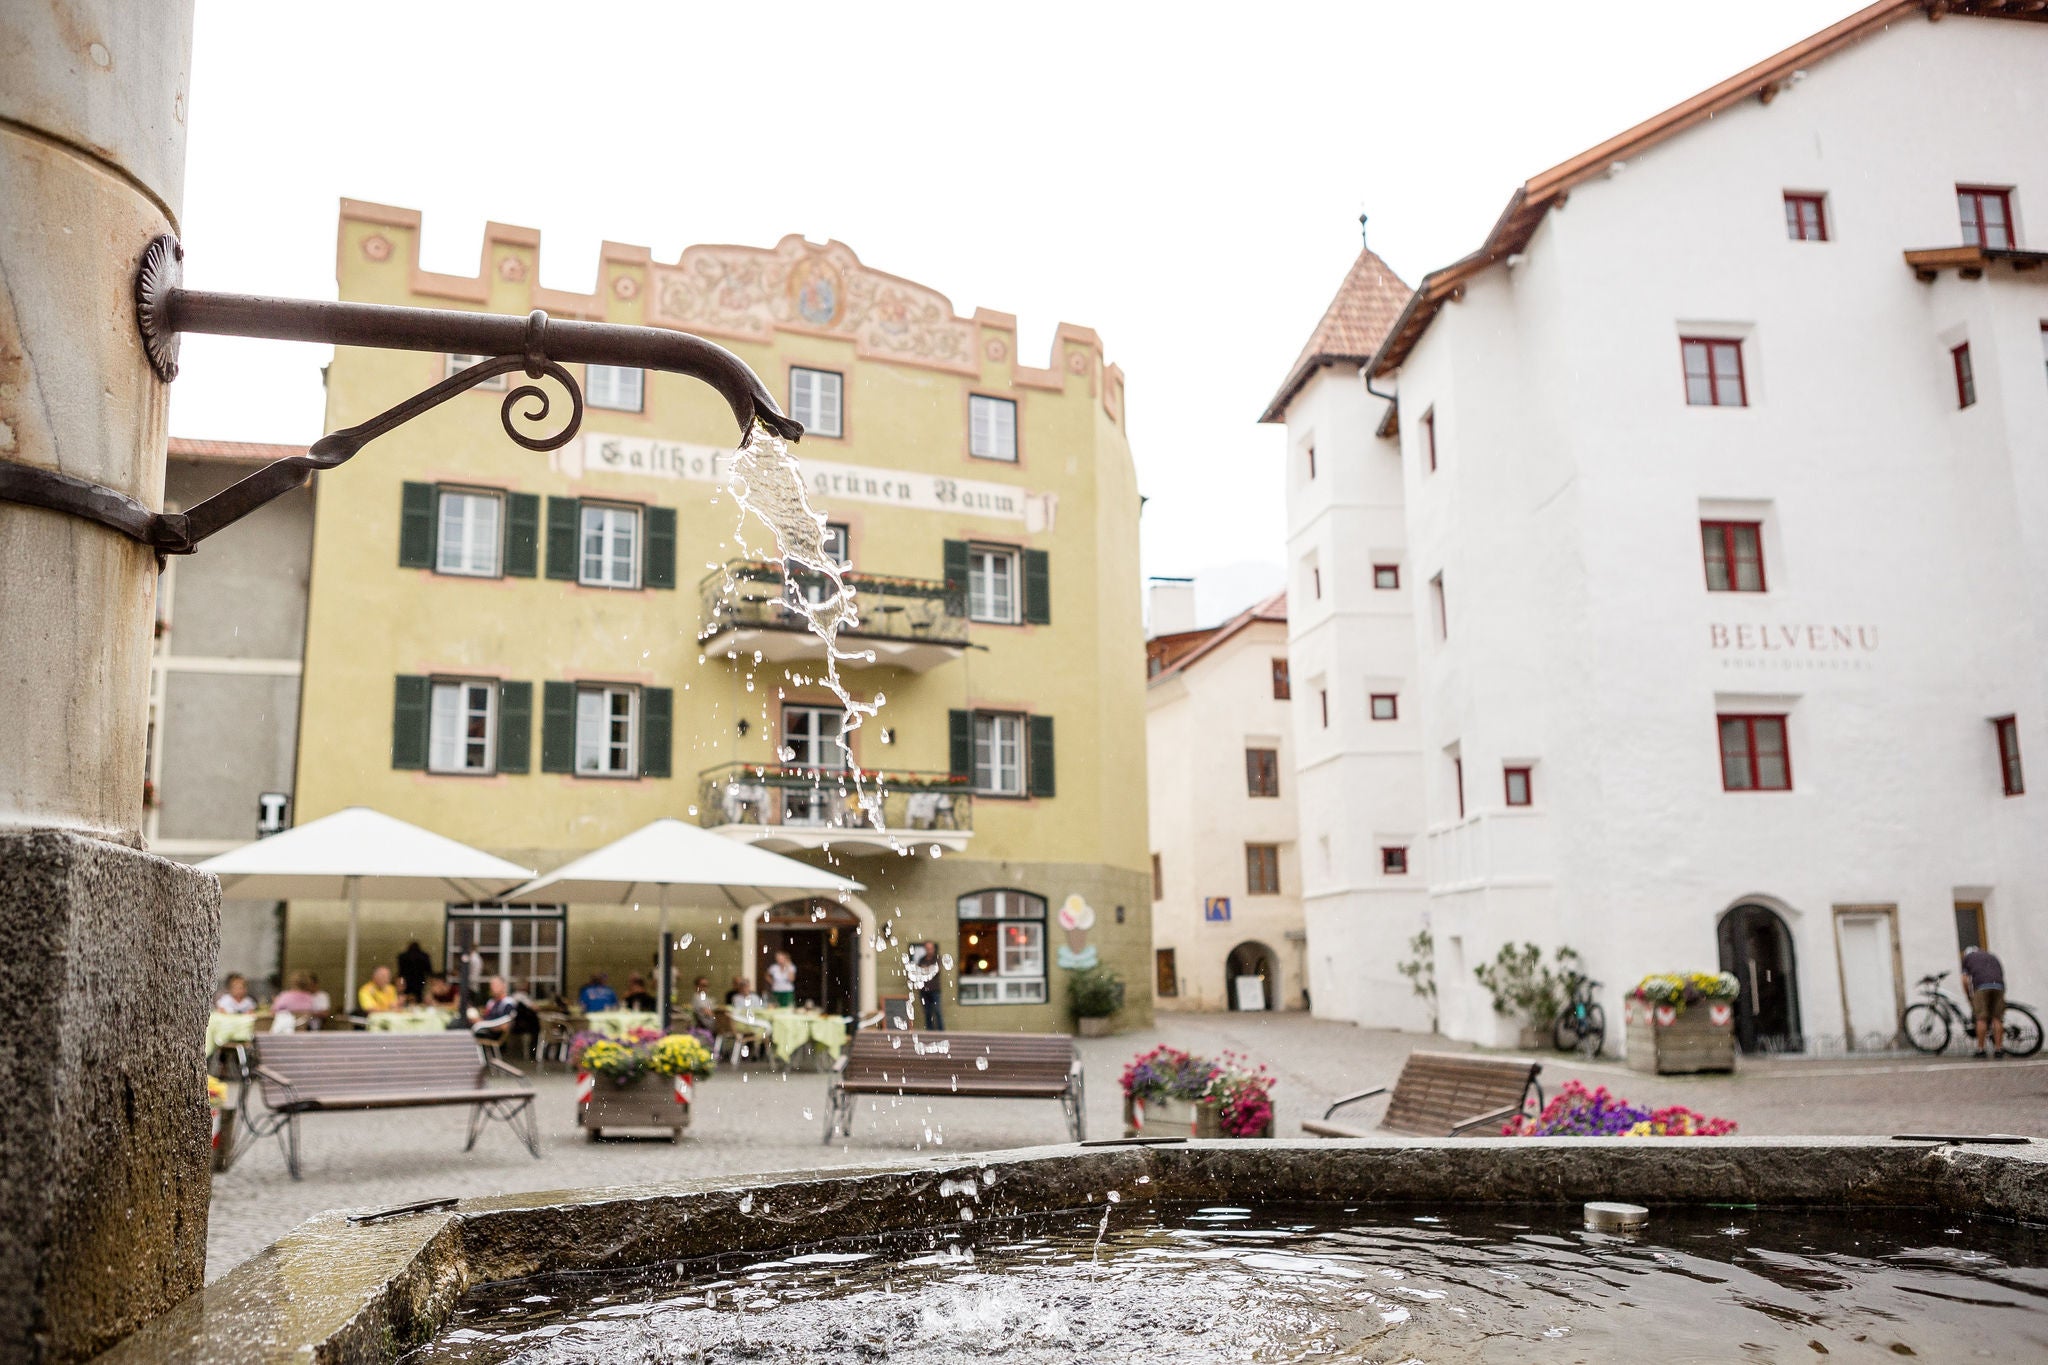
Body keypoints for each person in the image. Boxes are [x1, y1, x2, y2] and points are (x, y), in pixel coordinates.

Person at [1962, 945, 2008, 1059]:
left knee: (1981, 1018)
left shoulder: (1968, 958)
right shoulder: (1992, 956)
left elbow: (1964, 980)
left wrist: (1969, 995)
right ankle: (1999, 1049)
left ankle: (1981, 1049)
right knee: (1997, 1018)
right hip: (1998, 985)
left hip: (1981, 986)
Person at [471, 976, 518, 1042]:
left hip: (493, 1034)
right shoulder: (491, 1002)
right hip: (484, 1028)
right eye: (491, 985)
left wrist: (482, 1023)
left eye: (495, 985)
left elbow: (505, 1026)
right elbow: (486, 1016)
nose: (492, 987)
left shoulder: (508, 1003)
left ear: (503, 986)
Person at [914, 941, 945, 1031]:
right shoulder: (922, 959)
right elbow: (919, 971)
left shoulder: (937, 959)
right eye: (927, 948)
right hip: (924, 990)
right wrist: (927, 969)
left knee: (937, 1011)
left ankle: (941, 1031)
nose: (929, 950)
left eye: (930, 948)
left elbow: (935, 971)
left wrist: (925, 969)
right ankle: (930, 1031)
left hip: (935, 989)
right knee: (927, 1012)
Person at [396, 939, 434, 1005]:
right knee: (419, 997)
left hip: (406, 980)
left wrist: (401, 980)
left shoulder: (403, 956)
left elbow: (400, 971)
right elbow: (429, 971)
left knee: (405, 998)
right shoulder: (424, 956)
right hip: (420, 980)